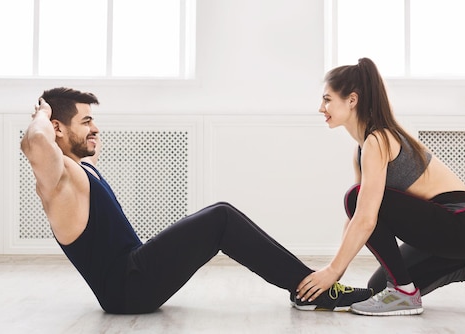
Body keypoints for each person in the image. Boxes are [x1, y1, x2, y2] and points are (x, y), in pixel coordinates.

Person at [20, 87, 372, 314]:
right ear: (56, 128)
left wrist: (67, 123)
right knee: (221, 218)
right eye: (86, 121)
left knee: (218, 215)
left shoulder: (83, 169)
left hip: (133, 273)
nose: (95, 128)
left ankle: (306, 286)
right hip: (128, 287)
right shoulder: (59, 180)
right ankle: (311, 288)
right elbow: (36, 144)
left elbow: (75, 144)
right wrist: (41, 114)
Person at [295, 58, 465, 316]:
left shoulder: (378, 139)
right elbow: (357, 217)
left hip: (463, 222)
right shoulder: (363, 148)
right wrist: (334, 274)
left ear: (351, 100)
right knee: (379, 286)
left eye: (327, 99)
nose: (321, 108)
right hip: (448, 228)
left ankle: (405, 293)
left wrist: (332, 271)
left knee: (355, 200)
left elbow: (365, 217)